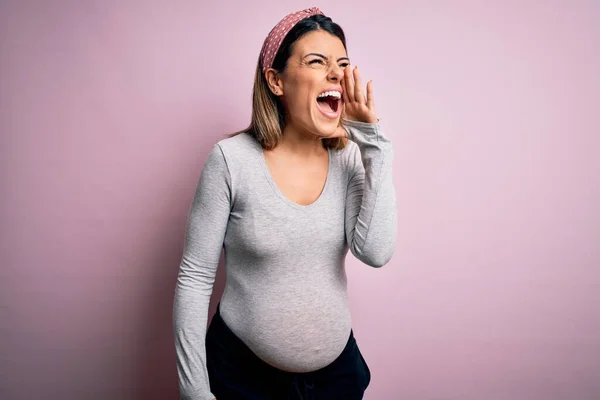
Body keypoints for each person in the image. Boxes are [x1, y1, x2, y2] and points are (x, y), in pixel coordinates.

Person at [173, 7, 397, 400]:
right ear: (276, 80)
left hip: (337, 381)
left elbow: (375, 252)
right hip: (243, 379)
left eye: (342, 63)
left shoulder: (348, 158)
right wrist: (195, 391)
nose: (336, 74)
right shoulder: (231, 160)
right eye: (317, 62)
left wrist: (373, 144)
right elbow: (195, 279)